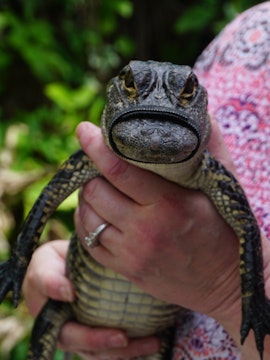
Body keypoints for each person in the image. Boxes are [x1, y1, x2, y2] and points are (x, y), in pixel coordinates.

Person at [22, 2, 270, 359]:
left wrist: (229, 290)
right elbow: (55, 199)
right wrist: (44, 263)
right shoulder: (246, 33)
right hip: (120, 316)